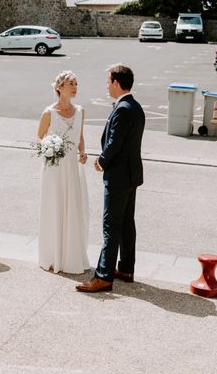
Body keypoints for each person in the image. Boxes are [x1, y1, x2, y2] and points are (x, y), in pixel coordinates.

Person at [76, 64, 145, 292]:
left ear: (116, 82)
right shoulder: (135, 106)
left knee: (111, 225)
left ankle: (104, 275)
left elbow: (115, 143)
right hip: (131, 174)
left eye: (108, 81)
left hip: (118, 176)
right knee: (126, 222)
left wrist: (101, 161)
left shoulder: (124, 108)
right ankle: (126, 268)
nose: (107, 85)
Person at [37, 71, 91, 274]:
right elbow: (41, 136)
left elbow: (80, 136)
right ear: (60, 87)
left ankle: (71, 256)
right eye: (71, 83)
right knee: (55, 206)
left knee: (73, 208)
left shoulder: (80, 111)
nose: (75, 87)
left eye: (76, 83)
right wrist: (51, 146)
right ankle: (53, 255)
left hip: (72, 167)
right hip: (54, 169)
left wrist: (83, 152)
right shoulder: (48, 113)